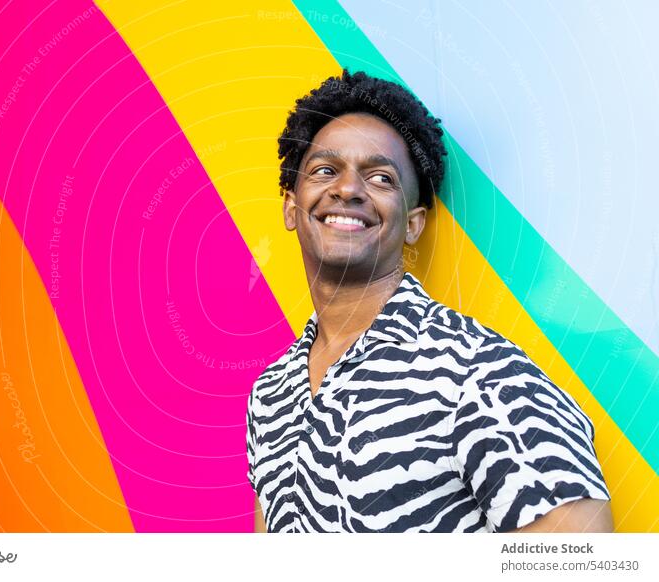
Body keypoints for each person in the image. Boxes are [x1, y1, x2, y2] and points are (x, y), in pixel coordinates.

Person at [245, 69, 612, 533]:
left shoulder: (474, 370)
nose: (348, 189)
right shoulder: (269, 394)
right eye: (324, 170)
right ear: (291, 207)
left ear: (414, 223)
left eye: (380, 178)